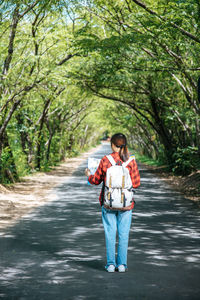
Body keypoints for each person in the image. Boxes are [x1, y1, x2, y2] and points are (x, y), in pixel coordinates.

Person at [85, 133, 140, 272]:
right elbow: (136, 183)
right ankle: (121, 265)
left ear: (112, 145)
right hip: (126, 204)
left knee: (110, 233)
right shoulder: (131, 161)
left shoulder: (106, 160)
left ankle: (110, 264)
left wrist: (88, 175)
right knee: (123, 234)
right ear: (125, 144)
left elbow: (96, 180)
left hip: (108, 202)